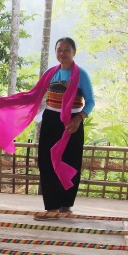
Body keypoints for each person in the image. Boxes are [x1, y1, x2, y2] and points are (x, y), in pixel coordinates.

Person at [37, 38, 95, 213]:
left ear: (74, 52)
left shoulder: (81, 75)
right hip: (50, 120)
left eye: (67, 50)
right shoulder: (50, 73)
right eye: (59, 50)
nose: (62, 53)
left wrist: (78, 119)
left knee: (71, 161)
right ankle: (51, 206)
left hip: (72, 123)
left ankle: (66, 204)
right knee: (46, 161)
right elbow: (35, 95)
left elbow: (91, 102)